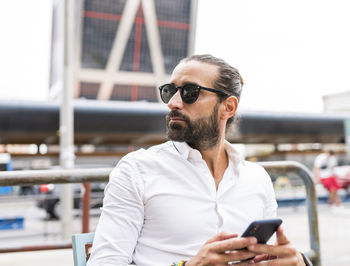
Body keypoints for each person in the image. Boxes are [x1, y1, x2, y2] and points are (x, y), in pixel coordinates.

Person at [87, 54, 310, 266]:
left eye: (189, 92)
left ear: (228, 107)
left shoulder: (257, 178)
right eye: (170, 91)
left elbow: (269, 255)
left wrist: (298, 261)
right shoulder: (136, 170)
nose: (173, 102)